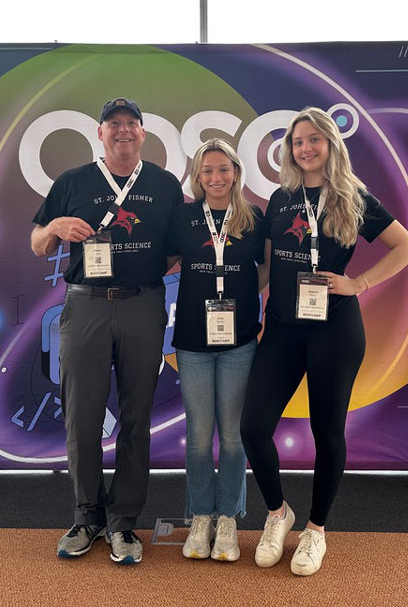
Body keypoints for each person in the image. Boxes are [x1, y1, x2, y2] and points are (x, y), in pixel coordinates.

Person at [240, 107, 408, 576]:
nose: (305, 148)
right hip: (281, 327)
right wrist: (231, 297)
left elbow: (407, 247)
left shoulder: (354, 196)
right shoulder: (280, 199)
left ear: (331, 145)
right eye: (298, 141)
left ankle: (316, 531)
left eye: (314, 139)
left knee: (328, 433)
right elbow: (265, 265)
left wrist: (358, 283)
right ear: (289, 149)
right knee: (253, 427)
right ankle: (279, 514)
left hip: (334, 329)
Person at [30, 97, 184, 565]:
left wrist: (141, 274)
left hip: (142, 304)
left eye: (131, 124)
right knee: (82, 416)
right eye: (113, 124)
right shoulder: (72, 181)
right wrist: (54, 225)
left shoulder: (163, 184)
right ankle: (86, 517)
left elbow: (176, 250)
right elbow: (38, 244)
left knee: (137, 419)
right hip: (86, 306)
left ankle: (123, 524)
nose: (123, 131)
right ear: (99, 133)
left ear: (143, 134)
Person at [167, 139, 266, 562]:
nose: (215, 178)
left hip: (239, 341)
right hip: (191, 341)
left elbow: (267, 266)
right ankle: (201, 517)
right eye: (207, 171)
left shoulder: (253, 218)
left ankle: (228, 518)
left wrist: (243, 294)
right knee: (197, 437)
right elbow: (164, 261)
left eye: (223, 169)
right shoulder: (185, 217)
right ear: (197, 176)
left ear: (236, 172)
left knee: (231, 436)